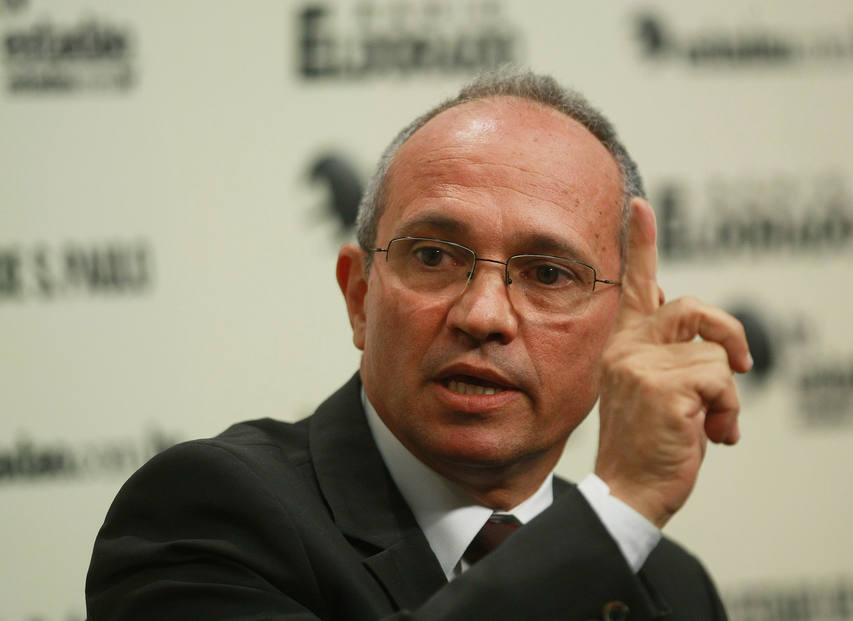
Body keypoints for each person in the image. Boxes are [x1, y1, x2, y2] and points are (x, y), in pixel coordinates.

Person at [86, 69, 751, 621]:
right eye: (433, 256)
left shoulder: (672, 587)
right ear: (359, 297)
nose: (483, 314)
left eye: (548, 274)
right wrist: (615, 511)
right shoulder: (208, 516)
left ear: (626, 332)